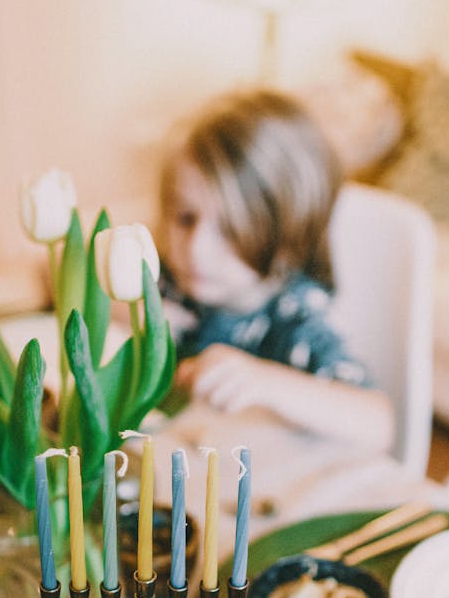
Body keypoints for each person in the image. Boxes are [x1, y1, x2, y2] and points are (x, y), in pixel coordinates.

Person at [156, 88, 394, 452]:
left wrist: (265, 382)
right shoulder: (174, 279)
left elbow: (378, 425)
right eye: (186, 218)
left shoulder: (295, 317)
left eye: (231, 231)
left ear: (286, 240)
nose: (196, 249)